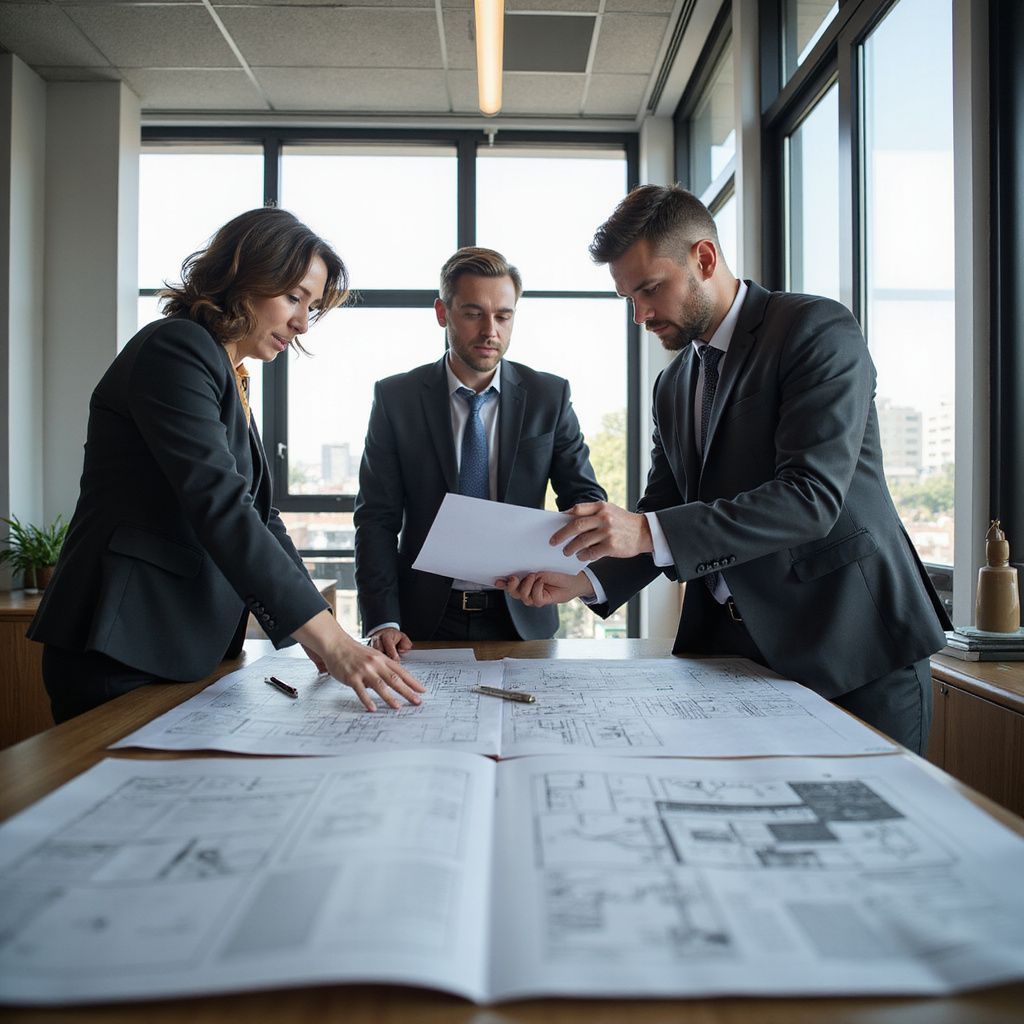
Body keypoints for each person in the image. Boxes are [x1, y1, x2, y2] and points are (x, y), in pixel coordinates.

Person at [500, 184, 951, 754]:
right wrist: (583, 579)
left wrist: (641, 531)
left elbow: (809, 497)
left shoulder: (815, 330)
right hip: (737, 660)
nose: (640, 315)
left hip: (853, 651)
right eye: (627, 299)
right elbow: (663, 509)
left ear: (704, 259)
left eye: (650, 289)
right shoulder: (672, 384)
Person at [29, 208, 426, 720]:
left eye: (313, 306)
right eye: (293, 297)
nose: (303, 322)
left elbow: (261, 516)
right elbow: (221, 505)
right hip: (122, 643)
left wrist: (325, 632)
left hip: (170, 643)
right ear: (245, 276)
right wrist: (330, 641)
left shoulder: (226, 369)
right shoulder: (176, 348)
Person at [354, 246, 606, 655]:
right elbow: (376, 518)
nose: (491, 330)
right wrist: (382, 617)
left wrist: (565, 573)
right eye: (474, 314)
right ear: (442, 313)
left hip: (524, 613)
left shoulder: (549, 396)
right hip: (420, 622)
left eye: (503, 316)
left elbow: (585, 499)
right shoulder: (395, 398)